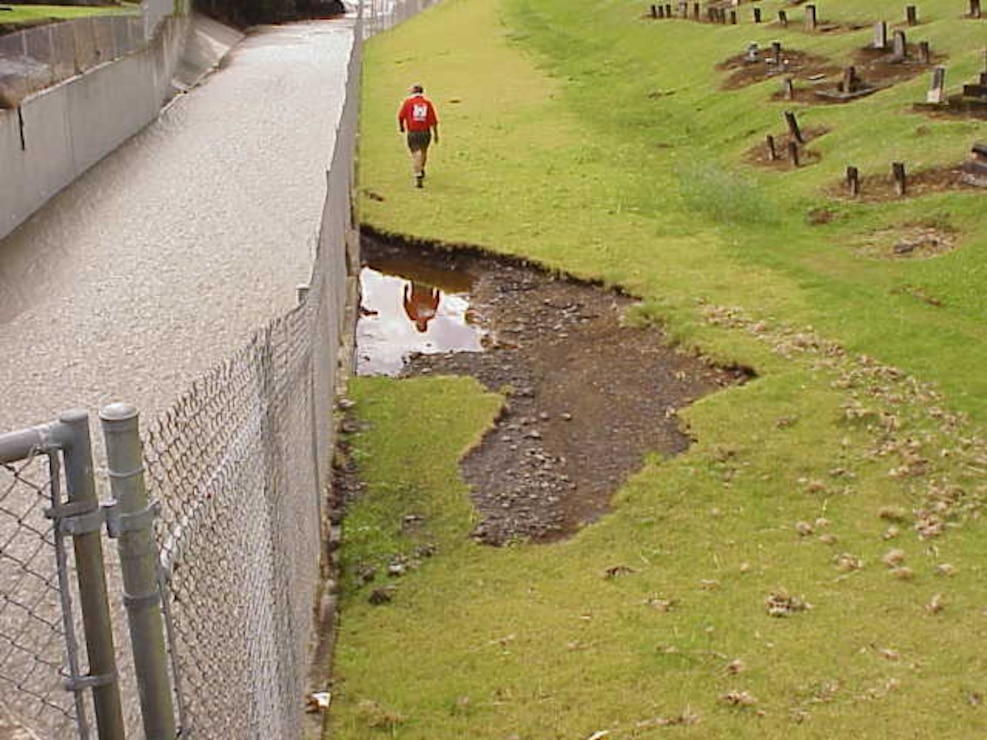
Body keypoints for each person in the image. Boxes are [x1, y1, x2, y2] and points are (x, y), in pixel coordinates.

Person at [397, 84, 439, 188]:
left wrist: (402, 127)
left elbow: (400, 116)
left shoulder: (408, 102)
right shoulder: (427, 103)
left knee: (416, 153)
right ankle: (421, 168)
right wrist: (436, 134)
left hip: (413, 132)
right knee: (424, 151)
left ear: (413, 92)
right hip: (425, 132)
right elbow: (433, 120)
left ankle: (418, 173)